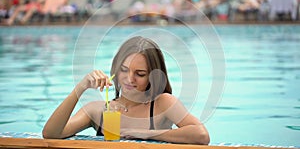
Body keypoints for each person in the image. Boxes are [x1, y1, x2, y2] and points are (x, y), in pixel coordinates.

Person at [42, 36, 210, 145]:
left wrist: (146, 134)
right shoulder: (98, 110)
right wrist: (80, 88)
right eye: (123, 70)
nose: (129, 79)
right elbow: (51, 134)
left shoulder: (162, 104)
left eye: (140, 74)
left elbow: (201, 135)